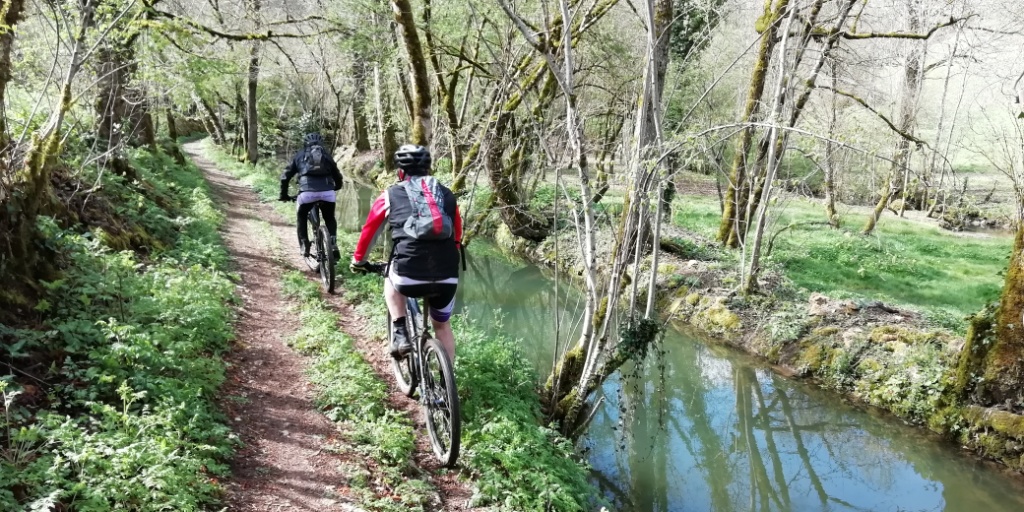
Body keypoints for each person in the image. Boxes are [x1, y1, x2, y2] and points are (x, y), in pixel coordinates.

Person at [350, 144, 462, 360]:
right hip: (448, 276)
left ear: (401, 171)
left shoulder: (390, 194)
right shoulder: (447, 195)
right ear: (429, 169)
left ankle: (400, 331)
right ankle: (447, 384)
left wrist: (359, 261)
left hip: (408, 276)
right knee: (442, 325)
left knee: (390, 277)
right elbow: (457, 235)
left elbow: (370, 231)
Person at [279, 132, 344, 259]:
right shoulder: (326, 156)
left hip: (307, 193)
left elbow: (285, 177)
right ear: (321, 144)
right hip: (328, 193)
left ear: (305, 143)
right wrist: (336, 187)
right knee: (330, 218)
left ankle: (304, 245)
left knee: (301, 215)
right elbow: (337, 175)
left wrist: (284, 195)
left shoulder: (300, 155)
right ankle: (333, 244)